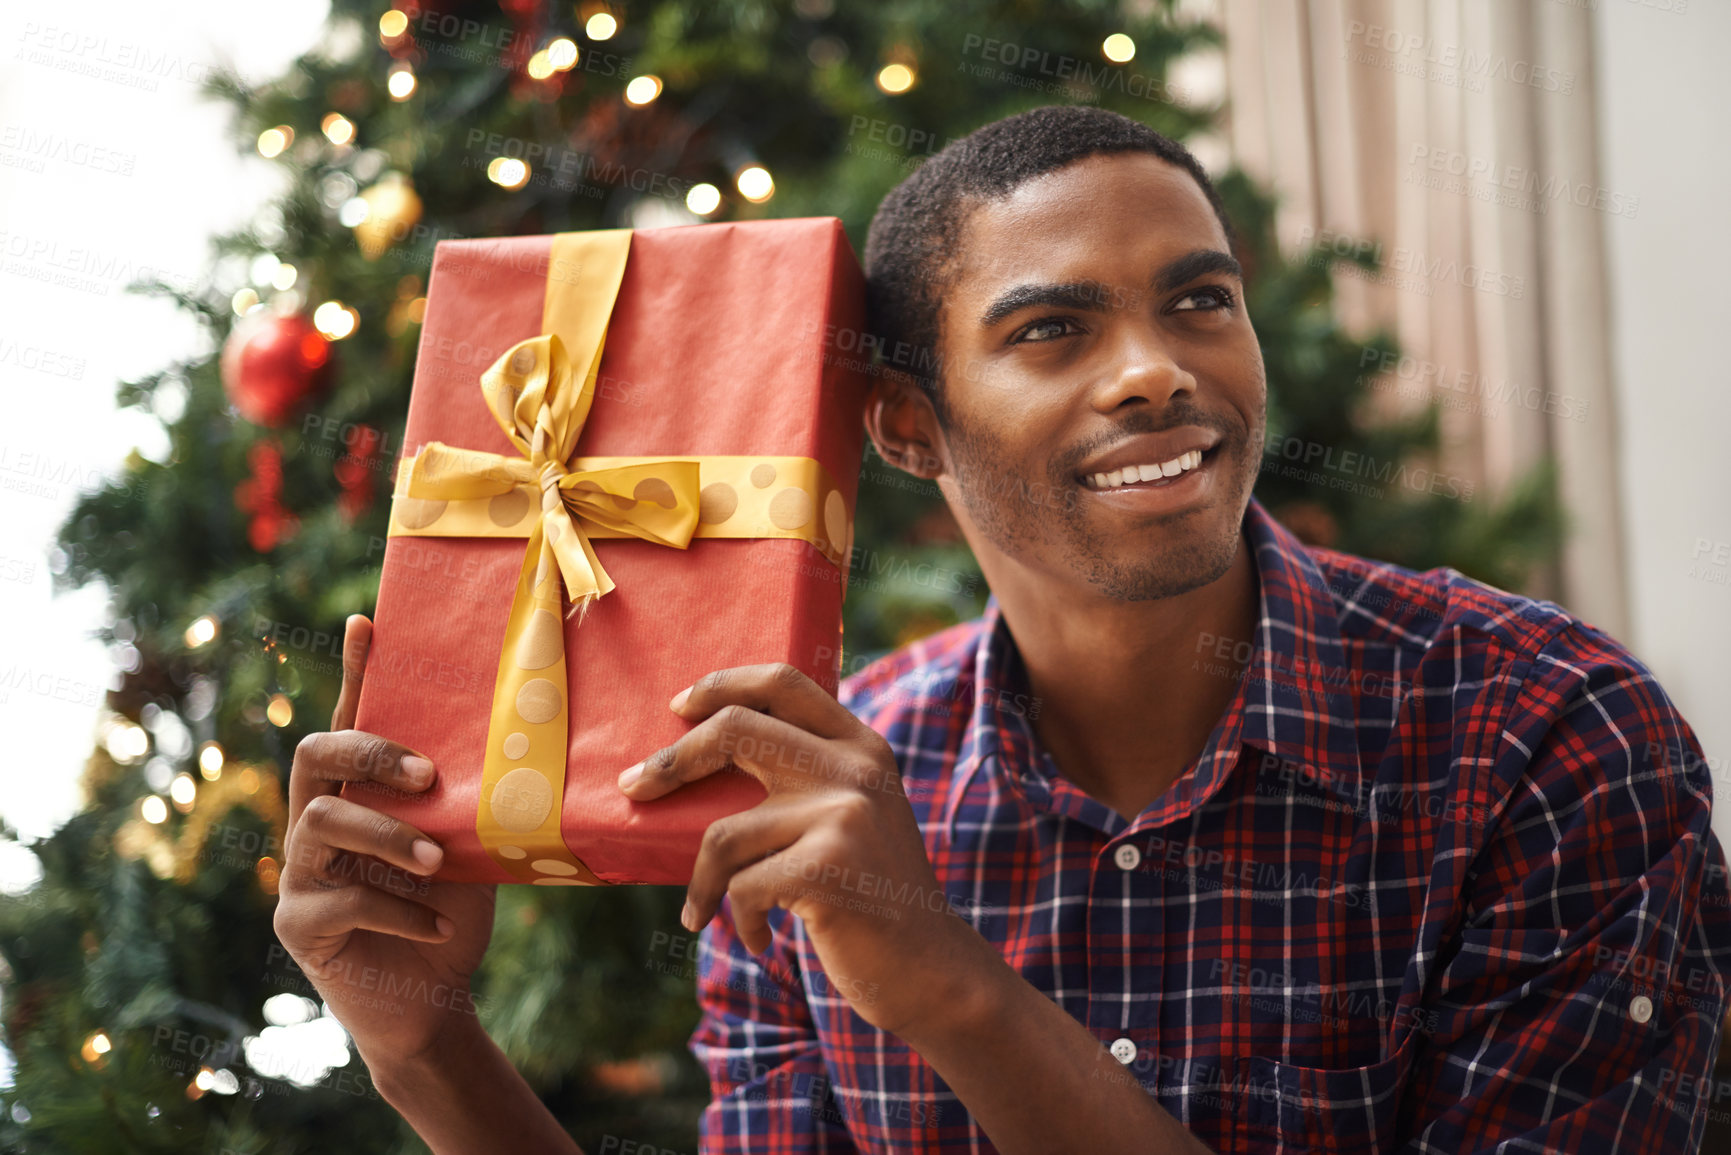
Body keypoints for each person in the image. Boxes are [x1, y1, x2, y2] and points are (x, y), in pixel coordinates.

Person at [273, 105, 1731, 1153]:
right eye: (1054, 331)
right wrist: (424, 1048)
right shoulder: (788, 797)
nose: (1159, 374)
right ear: (907, 426)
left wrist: (952, 993)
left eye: (1200, 303)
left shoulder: (1546, 732)